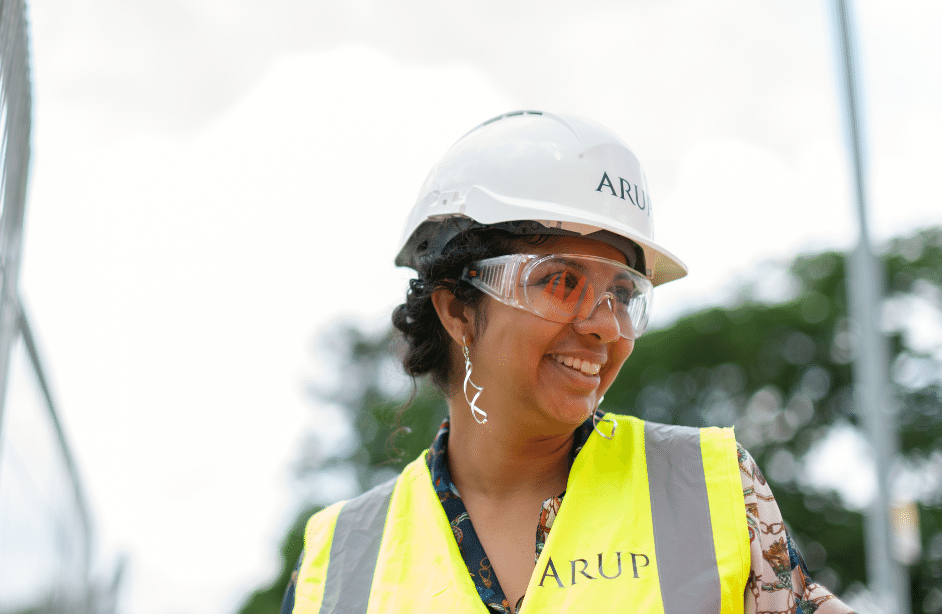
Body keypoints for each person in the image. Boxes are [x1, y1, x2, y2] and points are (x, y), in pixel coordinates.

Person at [280, 111, 853, 613]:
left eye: (624, 295)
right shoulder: (337, 563)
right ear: (456, 310)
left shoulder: (711, 491)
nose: (605, 323)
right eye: (560, 281)